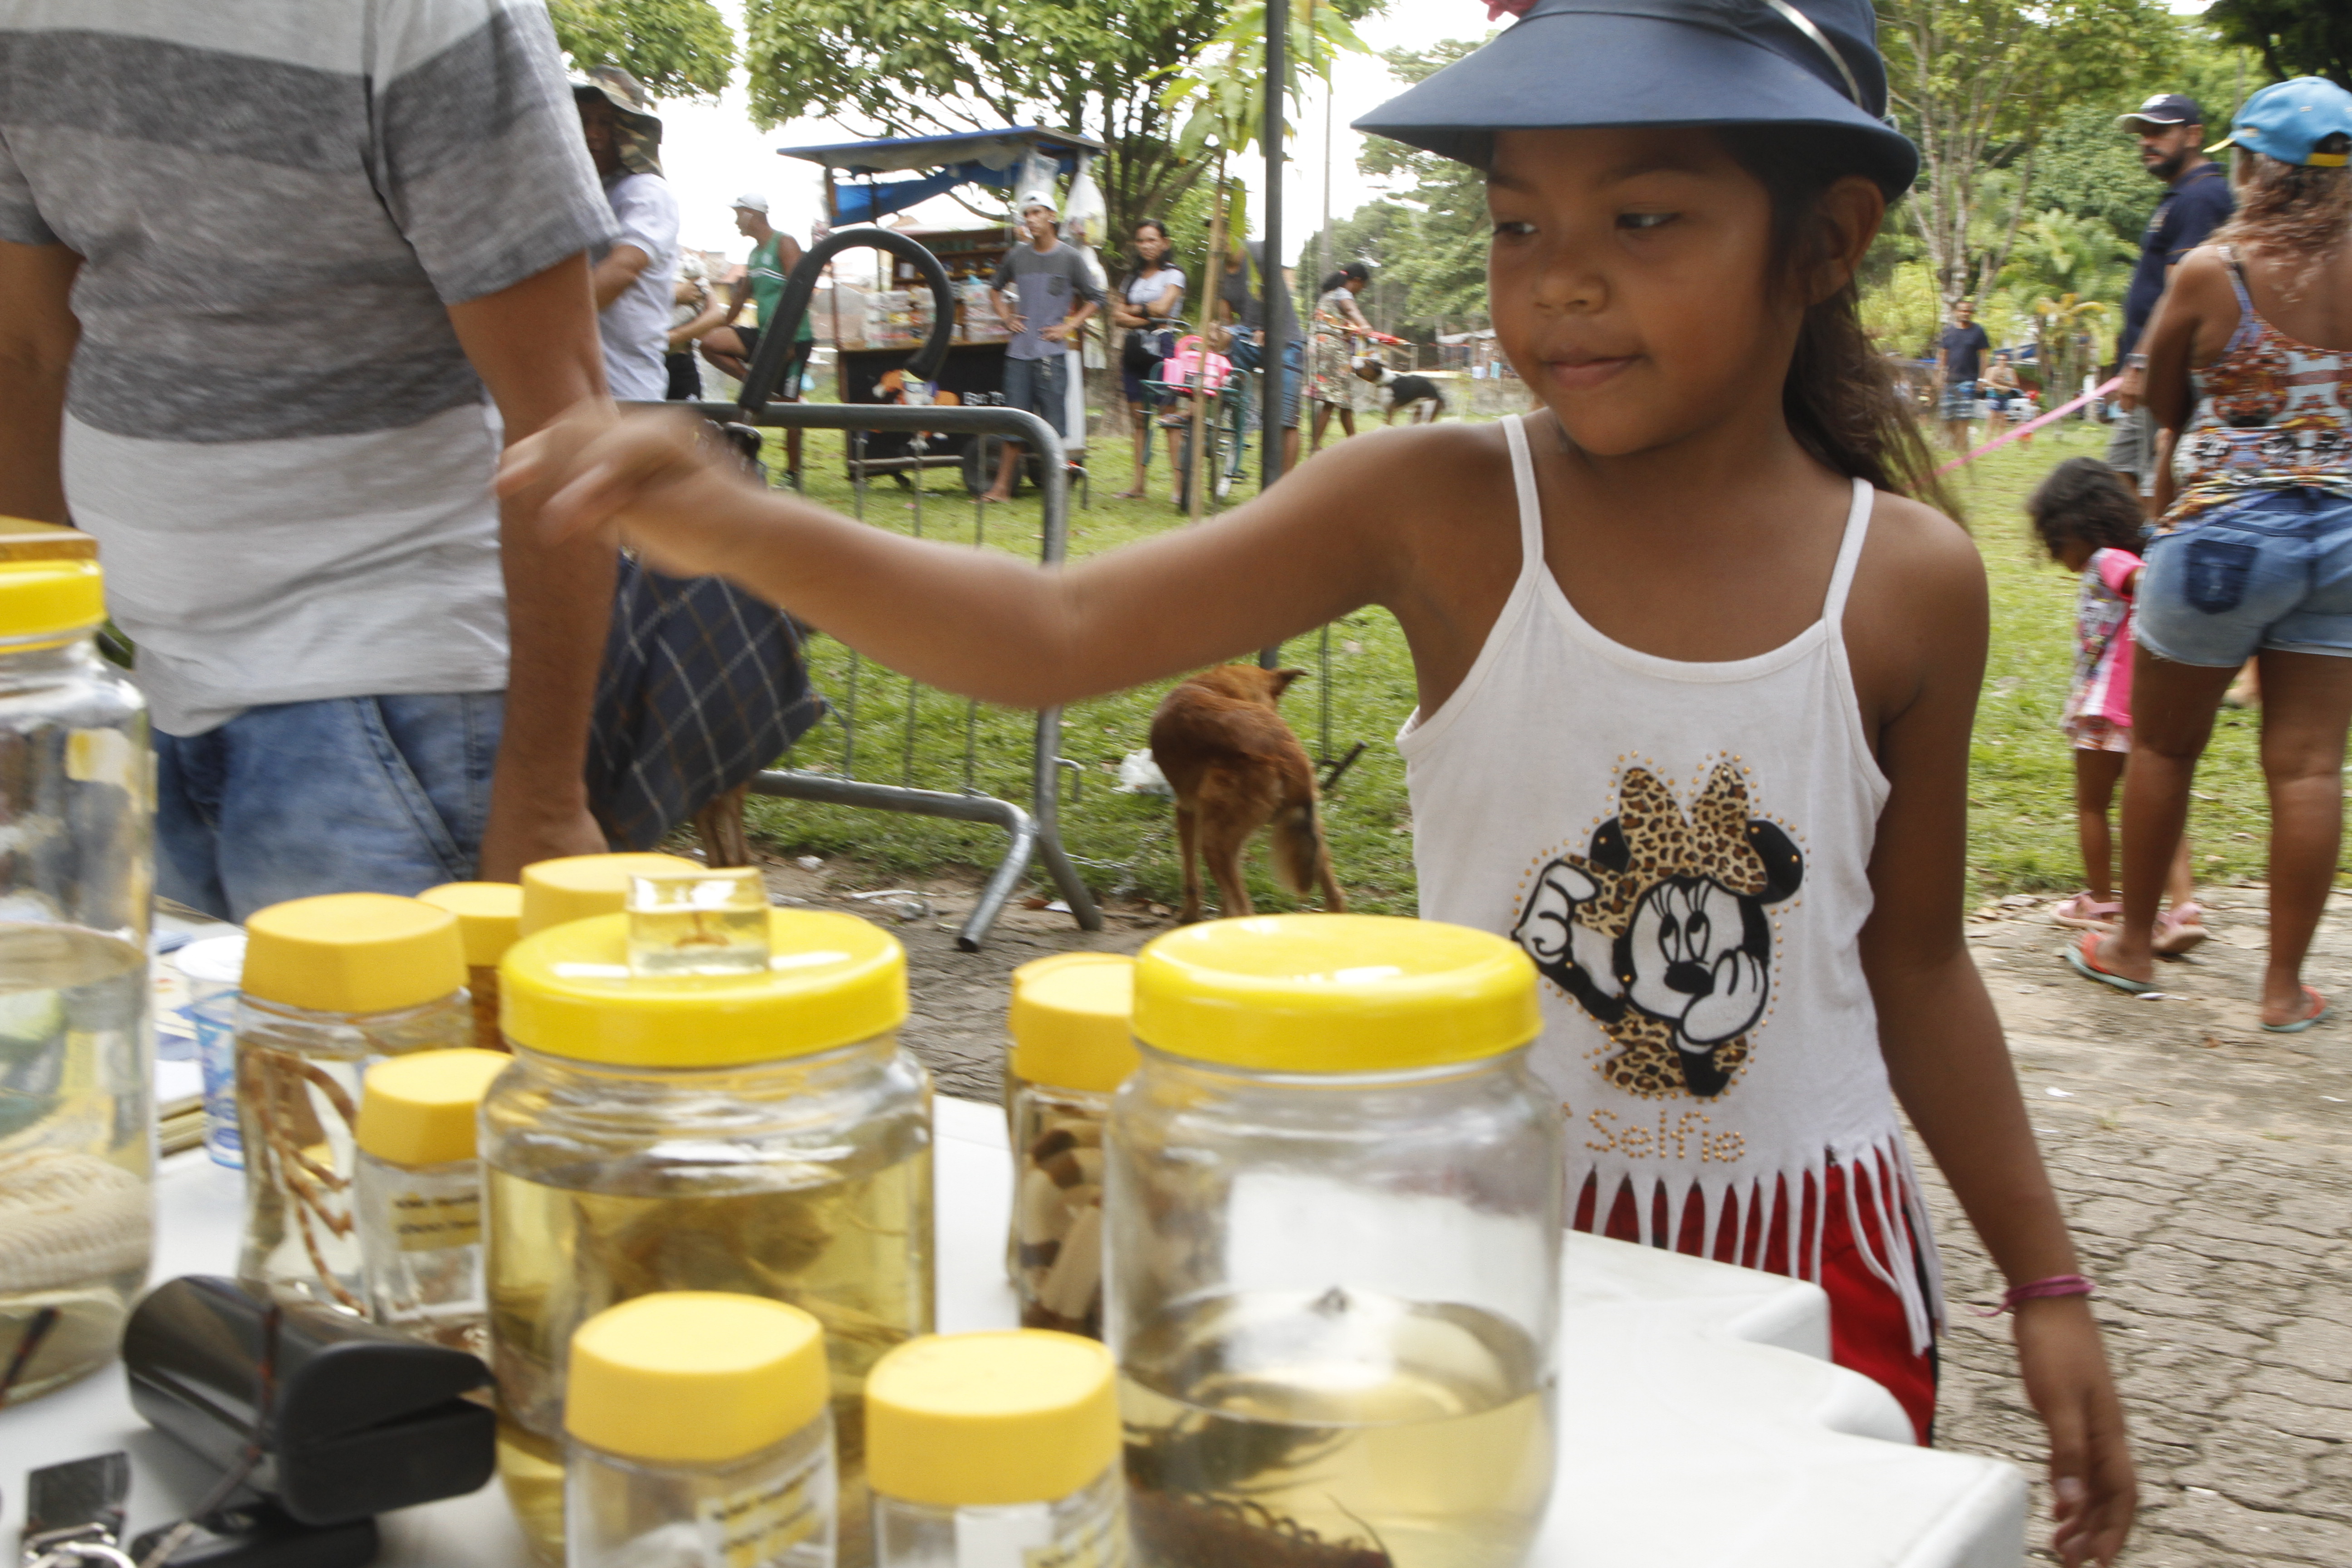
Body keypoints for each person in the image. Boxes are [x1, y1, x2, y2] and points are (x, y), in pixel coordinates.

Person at [504, 2, 2138, 1558]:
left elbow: (1912, 966)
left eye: (1641, 221)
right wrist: (739, 522)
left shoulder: (1908, 577)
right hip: (1479, 1240)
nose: (1558, 282)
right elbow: (1058, 628)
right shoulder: (1431, 502)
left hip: (1816, 1257)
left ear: (1828, 238)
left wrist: (2047, 1289)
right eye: (1515, 227)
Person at [0, 0, 618, 918]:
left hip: (388, 708)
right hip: (136, 695)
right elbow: (29, 352)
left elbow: (561, 426)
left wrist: (542, 800)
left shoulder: (425, 14)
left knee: (378, 1062)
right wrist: (31, 693)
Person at [2074, 78, 2352, 1037]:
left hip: (2224, 534)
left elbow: (2159, 390)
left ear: (2251, 165)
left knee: (2163, 745)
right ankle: (2282, 991)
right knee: (2312, 770)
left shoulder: (2214, 267)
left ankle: (2133, 947)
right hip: (2344, 537)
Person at [2029, 459, 2201, 944]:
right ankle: (2184, 908)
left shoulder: (2108, 559)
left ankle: (2102, 903)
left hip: (2105, 707)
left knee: (2093, 806)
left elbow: (2148, 582)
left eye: (2052, 539)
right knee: (2161, 803)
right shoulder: (2116, 556)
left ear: (2073, 524)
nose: (2052, 551)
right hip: (2146, 701)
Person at [2108, 93, 2235, 510]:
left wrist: (2143, 364)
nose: (2147, 141)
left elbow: (2179, 292)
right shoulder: (2182, 197)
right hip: (2148, 368)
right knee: (2120, 476)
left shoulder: (2203, 198)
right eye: (2143, 133)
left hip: (2167, 370)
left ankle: (2151, 567)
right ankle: (2131, 566)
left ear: (2194, 135)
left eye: (2160, 131)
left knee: (2155, 484)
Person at [983, 193, 1102, 504]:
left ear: (1051, 215)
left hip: (1052, 354)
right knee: (1014, 423)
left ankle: (1056, 492)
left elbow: (1096, 298)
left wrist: (1069, 326)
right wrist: (1007, 317)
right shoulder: (1016, 257)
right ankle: (1001, 489)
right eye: (1027, 214)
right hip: (1018, 353)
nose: (1031, 219)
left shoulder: (1071, 257)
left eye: (1037, 213)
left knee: (1054, 426)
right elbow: (994, 290)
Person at [575, 70, 679, 405]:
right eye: (584, 120)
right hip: (574, 385)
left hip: (624, 389)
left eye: (606, 123)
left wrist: (535, 327)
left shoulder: (645, 191)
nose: (593, 134)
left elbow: (623, 270)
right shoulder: (581, 194)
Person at [700, 195, 808, 478]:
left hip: (792, 339)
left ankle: (793, 472)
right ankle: (756, 382)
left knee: (790, 406)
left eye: (739, 214)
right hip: (764, 335)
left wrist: (787, 338)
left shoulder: (784, 243)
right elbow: (739, 300)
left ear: (751, 215)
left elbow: (800, 291)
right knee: (711, 344)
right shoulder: (754, 255)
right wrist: (718, 326)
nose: (736, 221)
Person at [1110, 219, 1186, 501]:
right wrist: (1147, 313)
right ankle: (1138, 486)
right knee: (1139, 420)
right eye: (1142, 241)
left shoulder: (1174, 275)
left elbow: (1165, 309)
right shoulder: (1131, 278)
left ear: (1165, 243)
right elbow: (1117, 316)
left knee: (1169, 416)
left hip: (1163, 346)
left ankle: (1179, 486)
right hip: (1133, 349)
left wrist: (1136, 310)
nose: (1147, 246)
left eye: (1152, 240)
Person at [1217, 241, 1306, 475]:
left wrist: (1270, 328)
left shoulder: (1257, 253)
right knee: (1216, 368)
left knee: (1285, 419)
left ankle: (1285, 488)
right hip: (1247, 336)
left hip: (1285, 337)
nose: (1220, 239)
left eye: (1226, 232)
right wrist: (1218, 333)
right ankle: (1227, 418)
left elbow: (1276, 294)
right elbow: (1226, 319)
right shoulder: (1217, 271)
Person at [1308, 261, 1375, 452]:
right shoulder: (1343, 293)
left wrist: (1350, 332)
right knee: (1332, 398)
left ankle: (1355, 444)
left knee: (1343, 398)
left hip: (1326, 347)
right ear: (1357, 281)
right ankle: (1315, 446)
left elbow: (1339, 323)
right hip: (1330, 349)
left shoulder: (1330, 295)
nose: (1362, 291)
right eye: (1364, 286)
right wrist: (1365, 326)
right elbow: (1351, 310)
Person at [666, 254, 729, 402]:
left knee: (688, 421)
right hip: (642, 362)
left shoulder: (685, 262)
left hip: (680, 361)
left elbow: (715, 314)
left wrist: (674, 337)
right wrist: (674, 295)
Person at [1935, 299, 1990, 451]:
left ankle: (1960, 448)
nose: (1965, 313)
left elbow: (1985, 356)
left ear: (1972, 314)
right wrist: (1940, 375)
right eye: (1962, 310)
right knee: (1948, 417)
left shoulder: (1978, 331)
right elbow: (1943, 355)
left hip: (1969, 381)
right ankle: (1958, 443)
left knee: (1964, 417)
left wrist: (1982, 379)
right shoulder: (1948, 331)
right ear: (1956, 312)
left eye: (1968, 311)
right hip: (1949, 381)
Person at [1983, 350, 2023, 440]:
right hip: (1993, 396)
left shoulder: (2010, 371)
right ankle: (1988, 440)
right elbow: (1988, 382)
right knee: (1991, 419)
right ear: (1996, 360)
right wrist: (2000, 386)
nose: (2002, 361)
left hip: (2005, 397)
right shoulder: (1991, 370)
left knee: (2003, 420)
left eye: (2004, 360)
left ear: (2007, 361)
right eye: (2000, 359)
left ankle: (2000, 442)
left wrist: (2003, 383)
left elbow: (2015, 384)